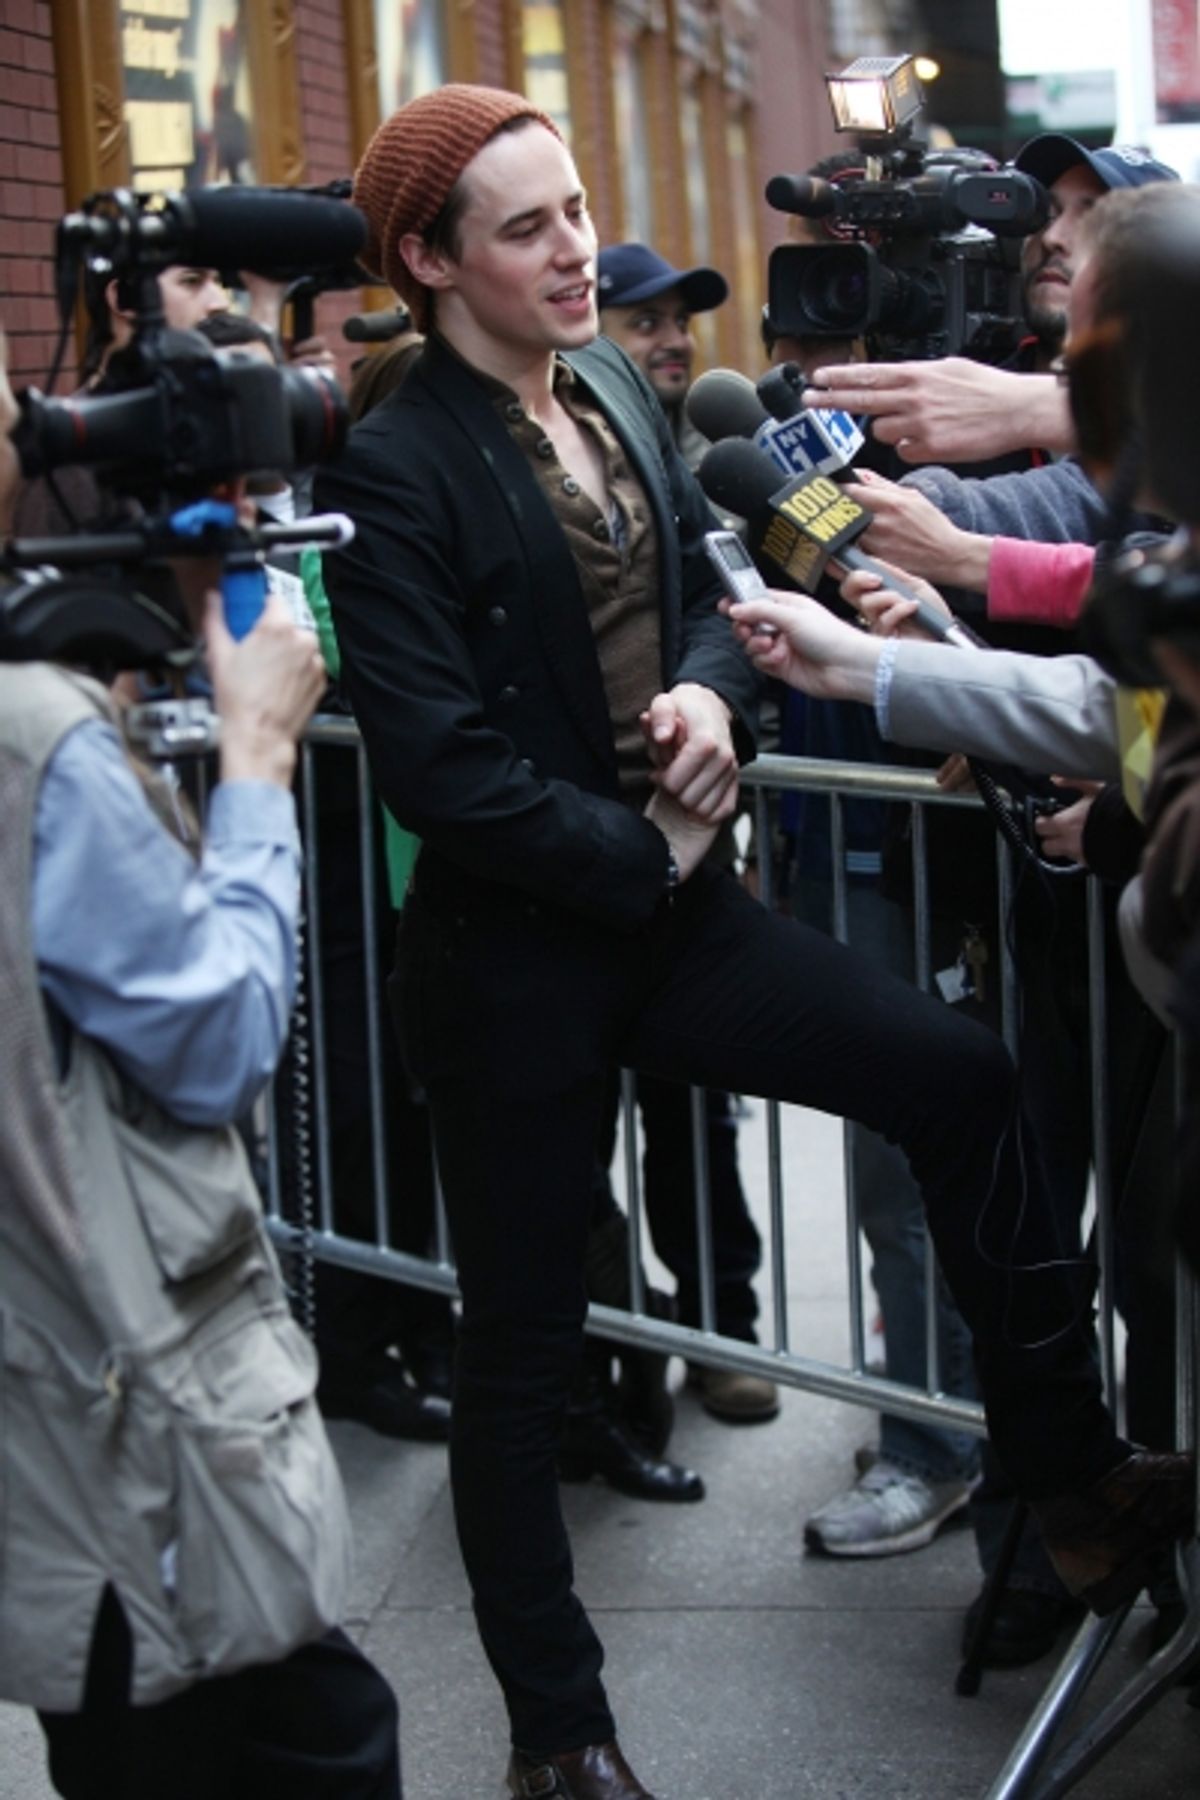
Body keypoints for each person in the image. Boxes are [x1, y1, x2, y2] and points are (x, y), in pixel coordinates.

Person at [317, 84, 1191, 1800]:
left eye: (576, 212)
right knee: (520, 1350)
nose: (575, 251)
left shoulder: (627, 397)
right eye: (527, 229)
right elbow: (439, 763)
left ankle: (1068, 1475)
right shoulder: (395, 462)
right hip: (517, 962)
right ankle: (560, 1742)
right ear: (428, 263)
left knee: (956, 1076)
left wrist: (724, 712)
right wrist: (644, 846)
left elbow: (726, 598)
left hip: (678, 911)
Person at [0, 315, 402, 1790]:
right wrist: (255, 761)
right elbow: (222, 1040)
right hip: (128, 1420)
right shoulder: (31, 733)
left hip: (43, 1415)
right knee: (309, 1741)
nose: (31, 414)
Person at [597, 238, 775, 1424]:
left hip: (693, 844)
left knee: (692, 1101)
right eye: (643, 318)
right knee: (559, 1123)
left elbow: (736, 619)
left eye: (683, 320)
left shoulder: (713, 462)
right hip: (561, 847)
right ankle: (608, 1342)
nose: (671, 340)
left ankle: (725, 1327)